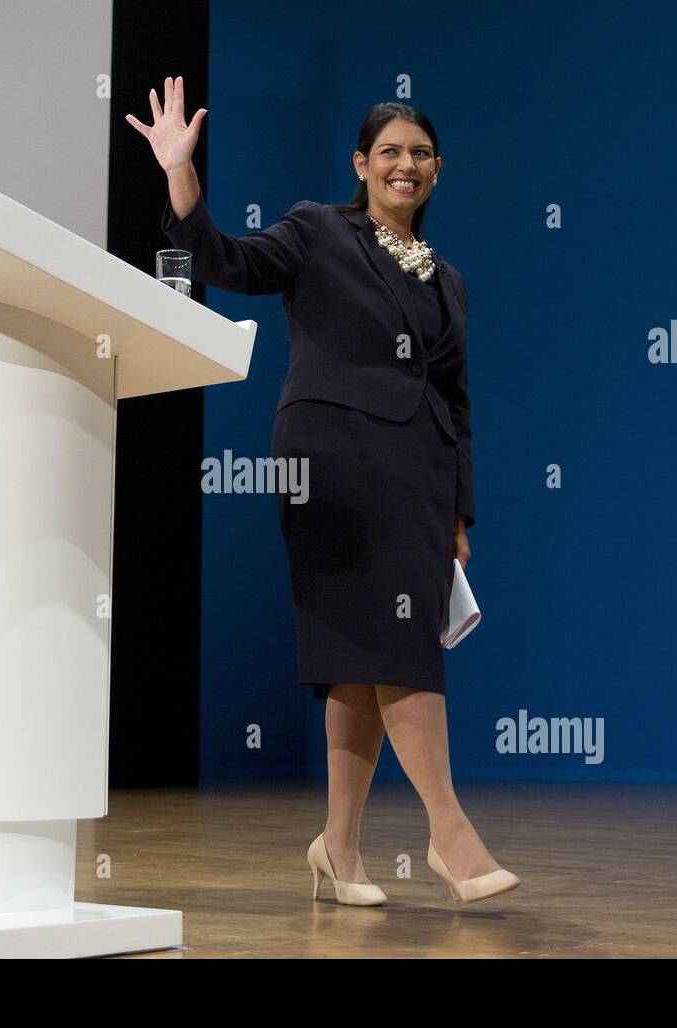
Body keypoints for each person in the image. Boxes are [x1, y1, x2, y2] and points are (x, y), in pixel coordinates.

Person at [127, 77, 519, 907]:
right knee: (396, 641)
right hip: (330, 463)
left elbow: (457, 397)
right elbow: (225, 259)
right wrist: (179, 175)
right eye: (389, 153)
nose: (403, 166)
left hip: (418, 472)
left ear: (437, 170)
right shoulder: (318, 229)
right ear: (361, 164)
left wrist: (459, 506)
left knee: (358, 657)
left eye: (418, 154)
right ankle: (450, 832)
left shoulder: (446, 278)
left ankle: (338, 848)